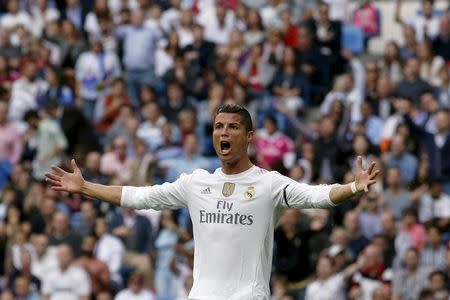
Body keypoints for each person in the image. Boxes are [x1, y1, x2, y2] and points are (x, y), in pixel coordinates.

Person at [45, 104, 380, 299]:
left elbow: (317, 197)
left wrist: (352, 186)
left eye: (233, 127)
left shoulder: (269, 184)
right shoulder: (196, 183)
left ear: (248, 137)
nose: (223, 132)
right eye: (219, 126)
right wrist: (86, 187)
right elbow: (140, 196)